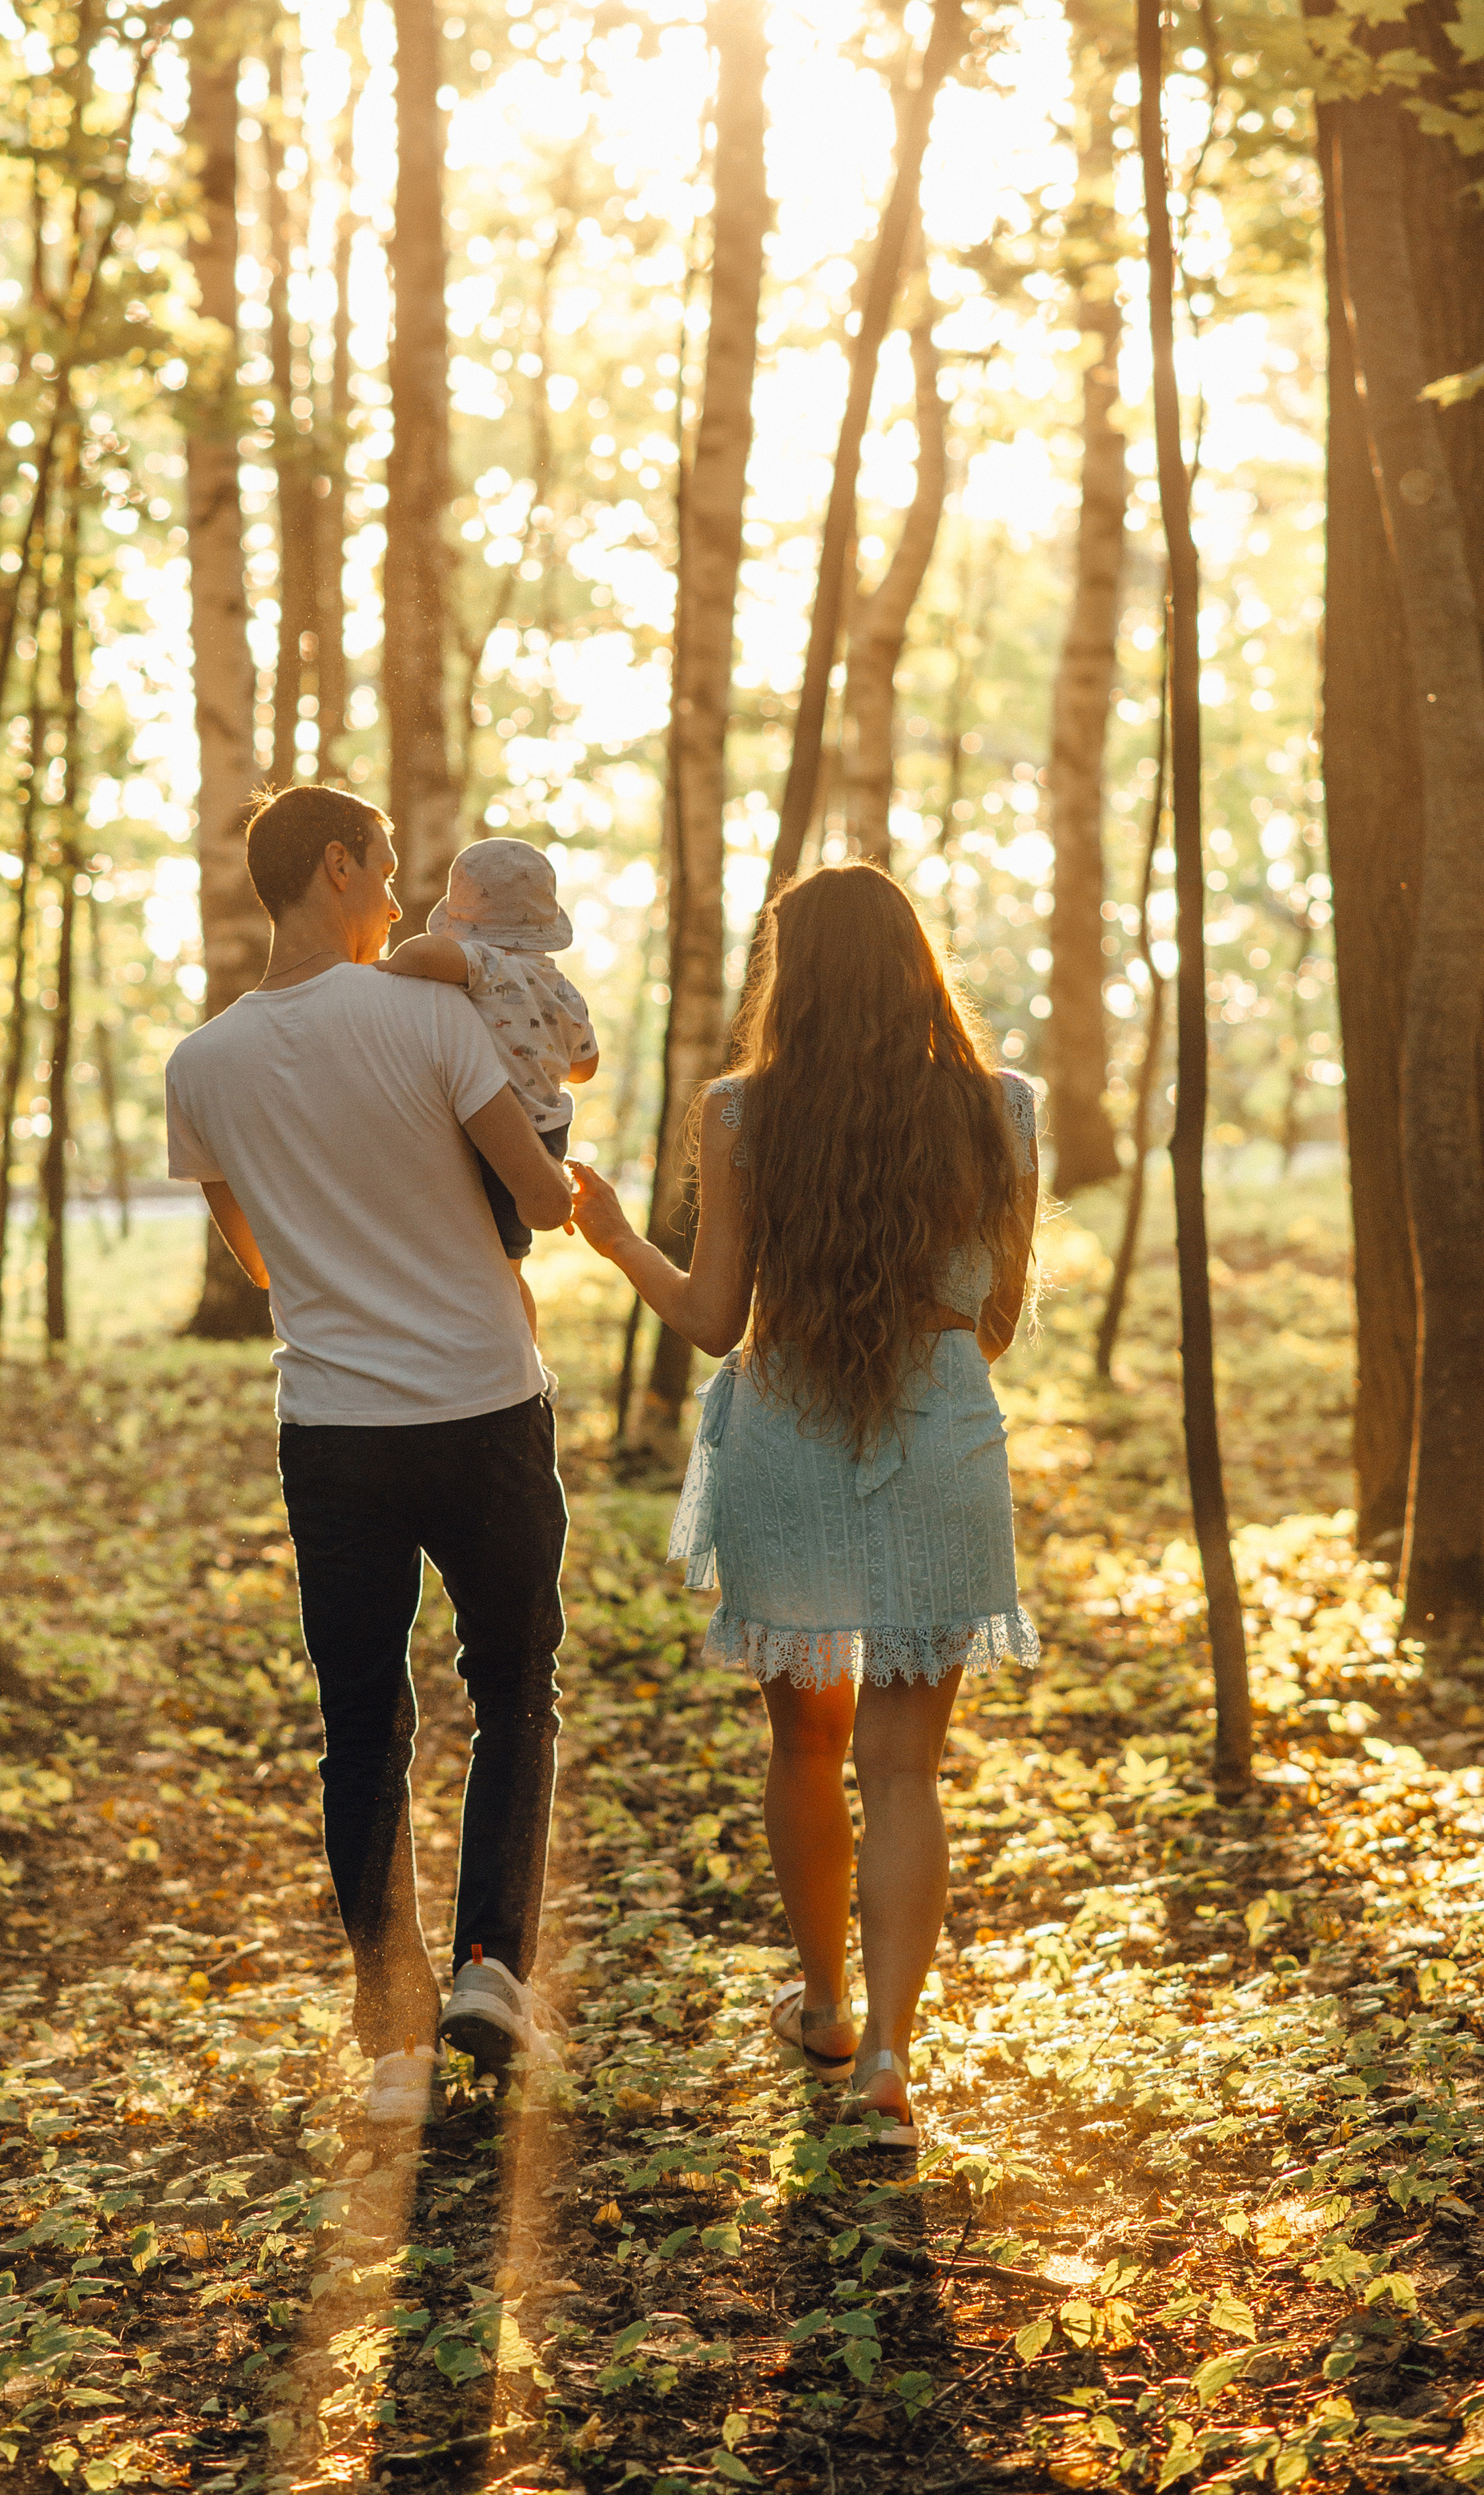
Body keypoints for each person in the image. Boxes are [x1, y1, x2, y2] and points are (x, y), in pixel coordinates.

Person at [568, 862, 1039, 2148]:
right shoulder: (1003, 1108)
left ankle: (825, 2005)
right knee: (903, 1766)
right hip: (938, 1437)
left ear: (797, 973)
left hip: (784, 1436)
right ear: (917, 958)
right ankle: (891, 2047)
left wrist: (615, 1235)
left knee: (807, 1749)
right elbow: (992, 1323)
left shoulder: (739, 1112)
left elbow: (717, 1318)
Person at [163, 784, 578, 2124]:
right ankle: (487, 1970)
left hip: (332, 1426)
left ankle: (393, 2037)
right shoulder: (432, 1014)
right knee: (512, 1685)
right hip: (478, 1401)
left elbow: (258, 1257)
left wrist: (349, 1279)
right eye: (389, 869)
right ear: (335, 865)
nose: (400, 897)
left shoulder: (202, 1063)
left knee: (362, 1726)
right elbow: (542, 1191)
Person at [375, 837, 600, 1342]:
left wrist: (387, 968)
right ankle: (530, 1362)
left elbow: (423, 953)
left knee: (476, 1261)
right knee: (510, 1269)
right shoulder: (563, 987)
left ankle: (504, 1353)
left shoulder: (484, 964)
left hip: (493, 1130)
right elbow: (586, 1066)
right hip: (548, 1135)